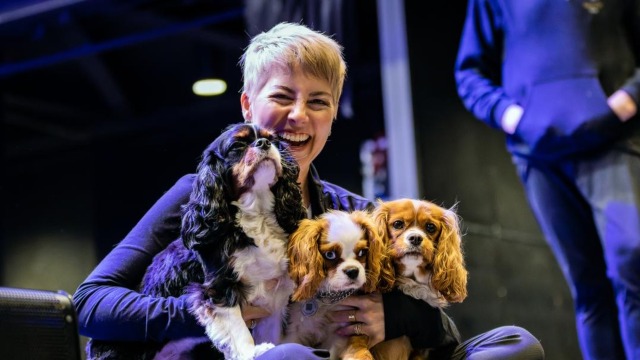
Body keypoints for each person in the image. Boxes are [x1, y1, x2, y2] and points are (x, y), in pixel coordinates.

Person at [74, 21, 544, 359]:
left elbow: (442, 334)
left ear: (333, 115)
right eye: (281, 96)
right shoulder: (197, 195)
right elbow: (91, 303)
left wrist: (393, 319)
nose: (299, 115)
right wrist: (221, 311)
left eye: (317, 102)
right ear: (247, 104)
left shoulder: (353, 212)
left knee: (516, 344)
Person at [454, 1, 640, 359]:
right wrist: (514, 118)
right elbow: (469, 72)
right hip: (540, 152)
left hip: (613, 141)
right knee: (587, 285)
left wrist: (626, 100)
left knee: (631, 260)